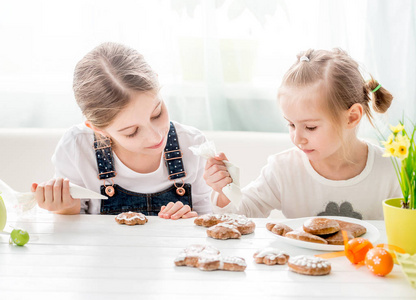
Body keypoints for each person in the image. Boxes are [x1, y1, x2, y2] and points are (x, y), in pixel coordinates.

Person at [204, 48, 401, 220]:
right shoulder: (283, 170)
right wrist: (224, 191)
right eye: (291, 124)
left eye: (310, 127)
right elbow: (242, 215)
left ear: (351, 117)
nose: (297, 139)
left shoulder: (392, 172)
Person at [31, 42, 212, 218]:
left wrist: (188, 222)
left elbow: (206, 220)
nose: (155, 136)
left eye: (157, 114)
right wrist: (65, 209)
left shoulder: (192, 144)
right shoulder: (77, 147)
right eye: (131, 132)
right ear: (97, 129)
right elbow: (75, 236)